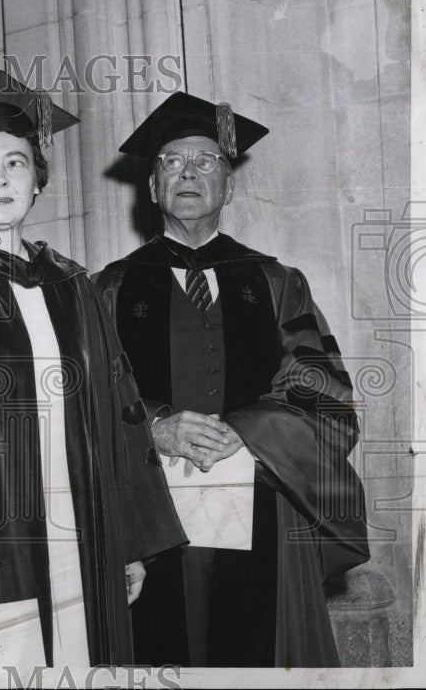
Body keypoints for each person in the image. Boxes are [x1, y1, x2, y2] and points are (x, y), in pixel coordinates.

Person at [0, 71, 186, 668]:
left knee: (84, 658)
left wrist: (131, 539)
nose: (1, 177)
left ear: (38, 182)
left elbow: (120, 410)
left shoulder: (71, 283)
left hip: (83, 521)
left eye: (17, 163)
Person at [94, 91, 369, 667]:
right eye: (171, 161)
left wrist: (248, 432)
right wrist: (155, 427)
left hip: (260, 507)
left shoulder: (275, 281)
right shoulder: (105, 291)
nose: (188, 172)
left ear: (229, 184)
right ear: (151, 187)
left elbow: (324, 391)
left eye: (205, 161)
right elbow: (83, 400)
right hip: (147, 515)